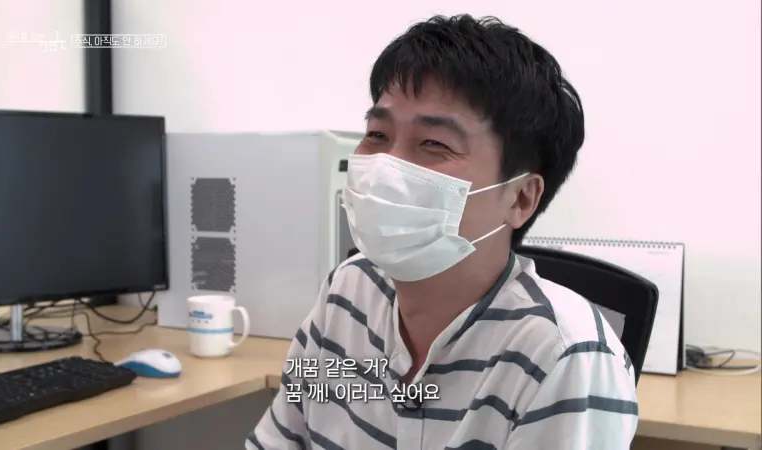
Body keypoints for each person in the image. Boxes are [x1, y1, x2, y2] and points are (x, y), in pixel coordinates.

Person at [247, 14, 637, 450]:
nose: (387, 166)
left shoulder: (565, 358)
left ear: (521, 198)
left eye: (434, 143)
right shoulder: (348, 290)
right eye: (377, 134)